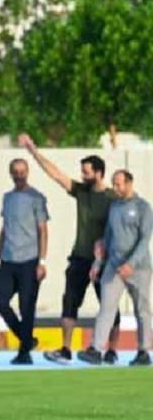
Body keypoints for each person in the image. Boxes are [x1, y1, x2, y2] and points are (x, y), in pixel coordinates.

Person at [18, 137, 117, 363]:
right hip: (79, 258)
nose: (82, 176)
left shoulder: (112, 198)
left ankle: (111, 350)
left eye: (87, 172)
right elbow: (56, 175)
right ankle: (65, 349)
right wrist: (33, 151)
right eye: (82, 172)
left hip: (106, 261)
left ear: (99, 173)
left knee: (109, 305)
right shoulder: (81, 191)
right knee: (70, 302)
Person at [80, 171, 151, 366]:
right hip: (113, 266)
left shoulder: (143, 207)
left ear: (129, 183)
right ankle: (95, 349)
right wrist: (97, 264)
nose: (116, 188)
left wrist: (131, 263)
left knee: (142, 310)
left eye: (118, 184)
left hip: (139, 269)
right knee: (106, 308)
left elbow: (145, 240)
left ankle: (143, 352)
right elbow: (107, 239)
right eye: (114, 184)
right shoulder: (114, 207)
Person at [0, 158, 50, 365]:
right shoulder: (7, 198)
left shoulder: (37, 198)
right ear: (11, 173)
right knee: (0, 301)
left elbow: (43, 230)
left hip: (29, 260)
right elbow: (4, 229)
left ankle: (24, 352)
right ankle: (27, 339)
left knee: (27, 307)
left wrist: (42, 261)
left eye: (23, 171)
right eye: (16, 171)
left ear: (28, 172)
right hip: (8, 259)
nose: (19, 174)